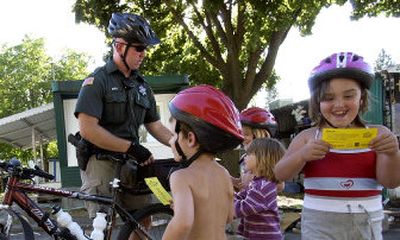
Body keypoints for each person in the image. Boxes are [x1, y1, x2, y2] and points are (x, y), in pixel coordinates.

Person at [274, 52, 400, 240]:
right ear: (318, 102)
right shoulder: (307, 137)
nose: (339, 104)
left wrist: (392, 153)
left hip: (366, 229)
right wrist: (301, 155)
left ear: (362, 99)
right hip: (319, 229)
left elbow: (390, 182)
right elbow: (280, 174)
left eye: (349, 95)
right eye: (328, 98)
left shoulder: (379, 134)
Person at [74, 12, 173, 220]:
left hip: (132, 165)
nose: (143, 54)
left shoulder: (143, 87)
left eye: (145, 49)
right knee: (103, 227)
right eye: (139, 48)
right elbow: (88, 128)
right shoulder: (97, 81)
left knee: (142, 222)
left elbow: (155, 125)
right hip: (101, 164)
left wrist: (178, 144)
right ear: (119, 47)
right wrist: (131, 147)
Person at [162, 85, 244, 240]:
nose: (170, 141)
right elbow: (228, 216)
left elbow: (183, 223)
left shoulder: (181, 176)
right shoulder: (224, 173)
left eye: (173, 135)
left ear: (191, 139)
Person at [234, 137, 285, 240]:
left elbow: (241, 209)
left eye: (248, 154)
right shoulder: (257, 182)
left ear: (262, 159)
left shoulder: (263, 187)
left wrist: (226, 193)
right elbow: (242, 196)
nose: (244, 158)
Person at [231, 107, 283, 192]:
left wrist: (256, 185)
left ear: (261, 136)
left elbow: (280, 185)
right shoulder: (246, 158)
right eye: (241, 134)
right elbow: (242, 181)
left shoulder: (267, 158)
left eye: (246, 134)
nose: (242, 138)